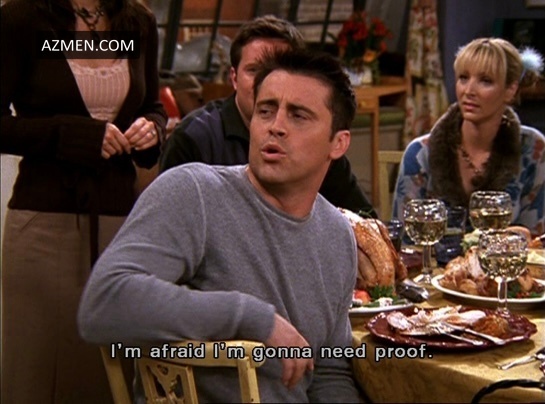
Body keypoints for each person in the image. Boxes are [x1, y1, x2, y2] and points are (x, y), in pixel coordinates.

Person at [78, 49, 364, 402]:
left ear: (338, 143)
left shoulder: (337, 234)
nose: (275, 126)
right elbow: (103, 303)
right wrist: (252, 318)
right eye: (265, 110)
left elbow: (329, 370)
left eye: (298, 115)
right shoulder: (195, 193)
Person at [0, 0, 167, 403]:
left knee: (110, 377)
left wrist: (152, 131)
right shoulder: (21, 19)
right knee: (40, 374)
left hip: (122, 227)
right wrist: (72, 136)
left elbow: (153, 106)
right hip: (45, 223)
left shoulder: (138, 21)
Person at [160, 15, 377, 217]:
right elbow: (168, 224)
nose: (266, 82)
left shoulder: (315, 141)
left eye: (277, 71)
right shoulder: (192, 138)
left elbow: (363, 219)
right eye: (254, 70)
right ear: (234, 78)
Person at [392, 38, 545, 235]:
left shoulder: (533, 150)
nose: (469, 91)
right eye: (463, 78)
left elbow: (537, 241)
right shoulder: (420, 154)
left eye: (485, 81)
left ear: (510, 90)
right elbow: (404, 241)